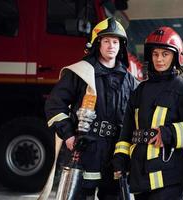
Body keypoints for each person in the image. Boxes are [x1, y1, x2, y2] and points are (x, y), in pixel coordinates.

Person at [44, 17, 138, 200]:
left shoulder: (129, 81)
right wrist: (69, 136)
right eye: (106, 41)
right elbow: (55, 104)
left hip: (115, 152)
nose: (111, 45)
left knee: (114, 195)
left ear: (121, 46)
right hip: (85, 148)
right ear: (97, 44)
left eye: (115, 41)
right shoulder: (81, 73)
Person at [113, 26, 183, 200]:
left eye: (165, 54)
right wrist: (121, 157)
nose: (159, 59)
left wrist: (170, 133)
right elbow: (127, 129)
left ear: (176, 57)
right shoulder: (139, 91)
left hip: (170, 177)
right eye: (155, 54)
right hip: (140, 176)